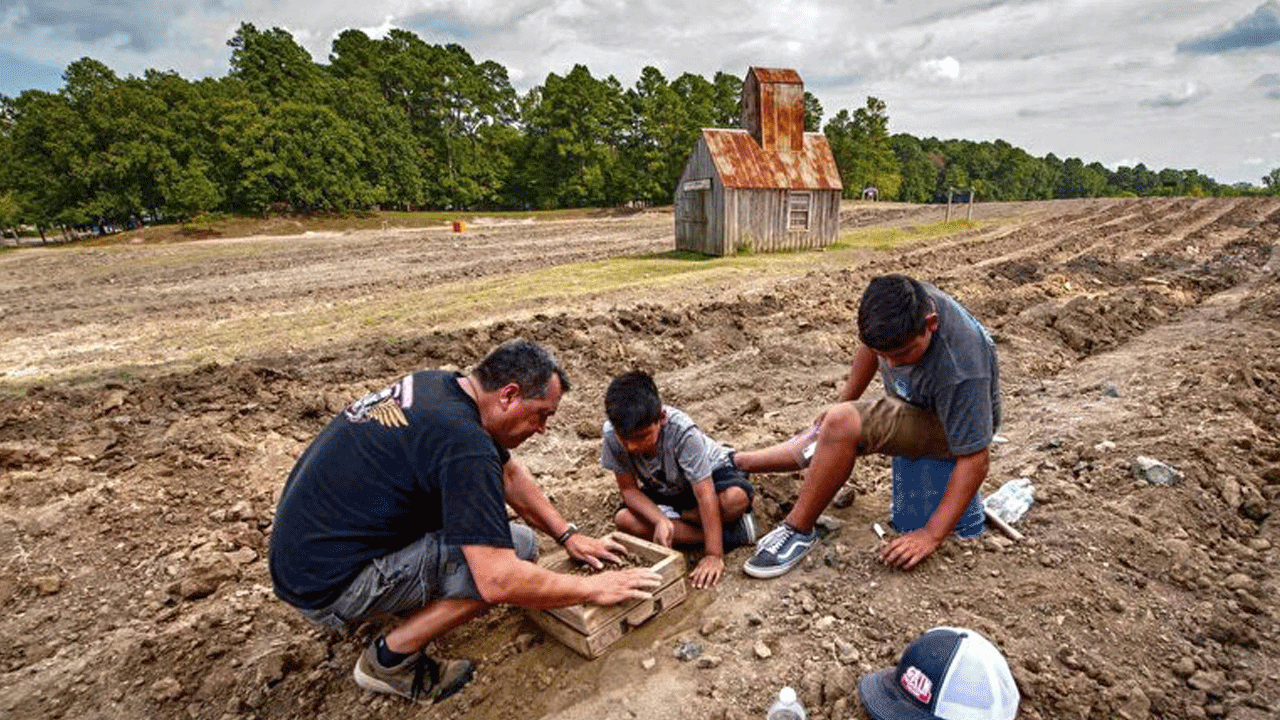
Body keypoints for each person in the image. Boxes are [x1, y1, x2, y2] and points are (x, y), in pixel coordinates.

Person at [268, 340, 662, 704]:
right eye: (541, 416)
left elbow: (510, 476)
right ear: (509, 395)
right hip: (331, 588)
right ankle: (390, 659)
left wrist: (567, 535)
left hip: (305, 560)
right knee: (518, 551)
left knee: (492, 536)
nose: (541, 430)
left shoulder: (441, 388)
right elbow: (498, 580)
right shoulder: (464, 445)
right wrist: (590, 588)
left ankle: (396, 598)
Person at [734, 274, 1000, 577]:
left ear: (932, 324)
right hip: (917, 403)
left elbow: (976, 459)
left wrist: (931, 535)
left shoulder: (962, 370)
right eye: (884, 355)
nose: (892, 365)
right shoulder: (900, 306)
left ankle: (797, 530)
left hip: (950, 428)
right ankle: (737, 460)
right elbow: (871, 348)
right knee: (829, 426)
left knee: (841, 425)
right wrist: (844, 400)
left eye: (901, 354)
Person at [601, 370, 757, 589]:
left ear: (662, 419)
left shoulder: (682, 432)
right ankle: (733, 534)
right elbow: (629, 491)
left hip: (709, 479)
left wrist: (714, 555)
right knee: (624, 520)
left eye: (642, 437)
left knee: (734, 499)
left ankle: (707, 534)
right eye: (624, 439)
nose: (633, 447)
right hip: (667, 490)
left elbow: (704, 493)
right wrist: (660, 521)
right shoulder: (611, 437)